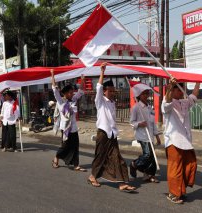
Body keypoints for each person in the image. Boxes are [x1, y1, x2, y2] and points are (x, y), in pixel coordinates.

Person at [87, 63, 136, 192]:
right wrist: (102, 72)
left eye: (114, 91)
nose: (113, 93)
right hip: (103, 133)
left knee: (117, 157)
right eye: (110, 91)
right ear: (105, 91)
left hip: (112, 134)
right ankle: (93, 176)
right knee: (100, 156)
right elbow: (98, 88)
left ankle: (122, 183)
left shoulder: (112, 103)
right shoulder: (100, 101)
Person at [162, 79, 200, 204]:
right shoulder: (167, 103)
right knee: (175, 169)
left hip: (186, 141)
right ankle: (173, 194)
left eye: (182, 88)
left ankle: (181, 191)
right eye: (178, 89)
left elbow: (194, 95)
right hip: (173, 141)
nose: (181, 91)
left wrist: (198, 81)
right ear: (172, 90)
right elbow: (166, 102)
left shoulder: (185, 102)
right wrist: (169, 87)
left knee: (190, 165)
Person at [50, 69, 86, 172]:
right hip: (65, 128)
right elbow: (54, 89)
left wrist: (82, 80)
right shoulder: (60, 101)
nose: (72, 94)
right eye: (70, 93)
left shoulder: (73, 100)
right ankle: (56, 157)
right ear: (65, 93)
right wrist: (52, 75)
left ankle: (76, 165)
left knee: (75, 146)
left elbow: (80, 91)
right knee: (65, 146)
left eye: (72, 92)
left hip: (74, 128)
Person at [129, 84, 161, 183]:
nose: (146, 95)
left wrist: (157, 136)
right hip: (142, 135)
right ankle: (134, 164)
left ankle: (149, 175)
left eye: (147, 93)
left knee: (152, 156)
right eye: (144, 94)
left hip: (150, 135)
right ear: (139, 95)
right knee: (147, 155)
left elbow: (153, 124)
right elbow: (131, 122)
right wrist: (139, 124)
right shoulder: (136, 108)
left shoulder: (150, 108)